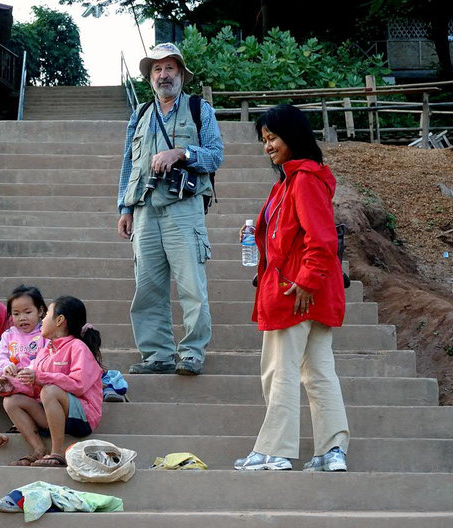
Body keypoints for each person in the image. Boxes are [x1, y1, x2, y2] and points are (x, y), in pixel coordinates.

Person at [234, 104, 350, 472]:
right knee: (318, 371)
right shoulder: (294, 181)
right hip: (308, 290)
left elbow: (322, 239)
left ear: (293, 137)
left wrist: (305, 282)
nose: (268, 146)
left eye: (273, 138)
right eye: (264, 140)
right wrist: (258, 235)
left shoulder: (302, 180)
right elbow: (298, 236)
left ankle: (275, 451)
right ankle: (331, 453)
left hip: (294, 293)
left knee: (279, 370)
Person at [117, 42, 224, 376]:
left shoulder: (198, 109)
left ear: (181, 74)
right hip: (145, 209)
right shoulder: (139, 115)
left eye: (170, 68)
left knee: (192, 286)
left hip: (184, 208)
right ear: (150, 77)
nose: (164, 75)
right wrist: (124, 207)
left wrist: (181, 153)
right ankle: (157, 354)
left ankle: (191, 352)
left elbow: (216, 155)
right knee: (147, 287)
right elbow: (127, 164)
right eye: (157, 69)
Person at [1, 296, 103, 467]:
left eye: (47, 314)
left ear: (60, 320)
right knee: (11, 401)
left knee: (49, 390)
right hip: (54, 413)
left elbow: (78, 385)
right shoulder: (45, 350)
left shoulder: (78, 347)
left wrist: (40, 377)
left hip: (82, 417)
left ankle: (57, 452)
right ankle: (38, 449)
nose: (42, 319)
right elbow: (34, 389)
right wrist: (11, 385)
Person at [0, 285, 48, 446]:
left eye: (28, 312)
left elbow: (47, 356)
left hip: (36, 381)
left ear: (40, 311)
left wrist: (30, 369)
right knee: (6, 388)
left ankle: (32, 423)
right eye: (16, 314)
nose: (22, 318)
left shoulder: (45, 334)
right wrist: (6, 366)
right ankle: (21, 422)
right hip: (15, 383)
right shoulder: (9, 335)